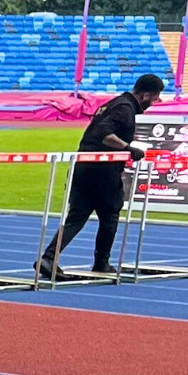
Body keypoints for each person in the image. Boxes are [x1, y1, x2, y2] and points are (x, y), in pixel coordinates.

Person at [36, 74, 163, 278]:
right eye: (155, 98)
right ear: (145, 95)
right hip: (103, 171)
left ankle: (48, 257)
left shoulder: (113, 104)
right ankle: (101, 262)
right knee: (110, 215)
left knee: (77, 217)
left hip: (82, 166)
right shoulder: (125, 109)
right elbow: (104, 133)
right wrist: (128, 148)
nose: (155, 102)